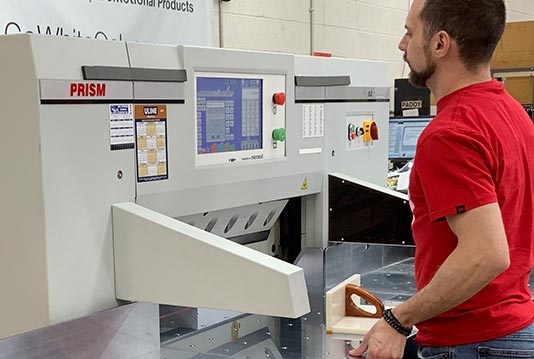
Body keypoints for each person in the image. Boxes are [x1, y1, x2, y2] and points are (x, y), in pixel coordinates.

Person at [349, 0, 534, 358]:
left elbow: (486, 253)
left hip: (474, 343)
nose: (402, 45)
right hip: (513, 328)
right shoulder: (511, 112)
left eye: (409, 32)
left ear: (440, 44)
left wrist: (398, 319)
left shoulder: (449, 132)